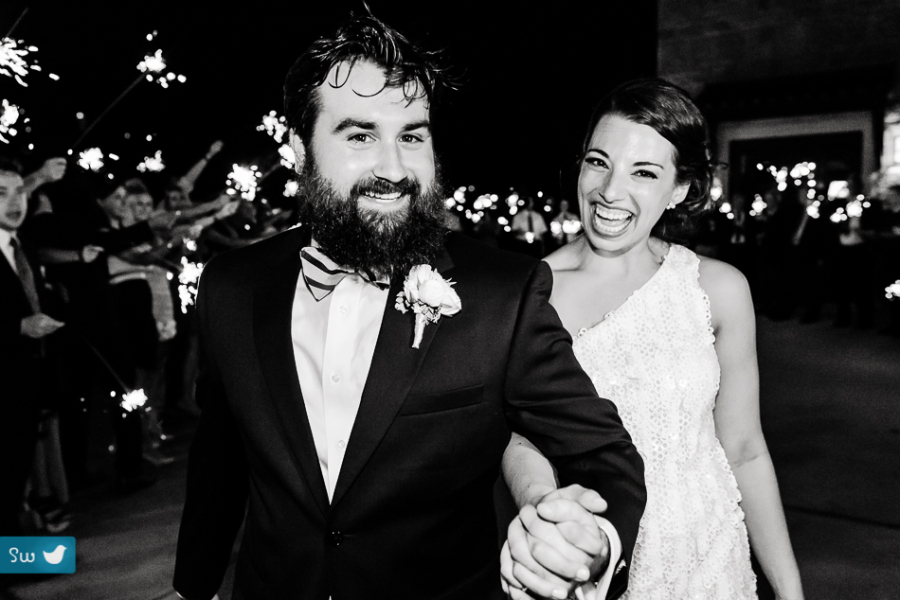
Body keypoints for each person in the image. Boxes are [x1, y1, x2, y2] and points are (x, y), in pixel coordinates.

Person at [173, 14, 645, 600]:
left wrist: (594, 538)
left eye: (412, 136)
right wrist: (191, 587)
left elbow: (604, 453)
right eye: (359, 135)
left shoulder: (503, 292)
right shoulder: (230, 286)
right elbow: (219, 460)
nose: (394, 169)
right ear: (299, 149)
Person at [501, 79, 804, 600]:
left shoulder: (718, 288)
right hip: (600, 556)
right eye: (599, 162)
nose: (610, 192)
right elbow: (521, 435)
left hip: (712, 557)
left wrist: (790, 588)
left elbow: (744, 448)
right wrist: (554, 524)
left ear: (681, 187)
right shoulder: (530, 293)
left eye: (644, 173)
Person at [0, 157, 65, 539]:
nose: (15, 201)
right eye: (1, 194)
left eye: (19, 191)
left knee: (13, 478)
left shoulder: (20, 246)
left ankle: (12, 562)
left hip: (24, 385)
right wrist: (18, 326)